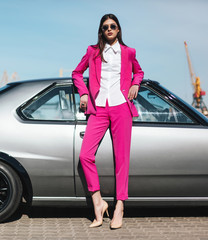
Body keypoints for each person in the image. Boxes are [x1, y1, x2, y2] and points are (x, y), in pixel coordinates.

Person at [72, 13, 144, 229]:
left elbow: (138, 72)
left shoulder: (128, 52)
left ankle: (120, 206)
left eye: (113, 26)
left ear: (118, 29)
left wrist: (135, 84)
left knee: (122, 159)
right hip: (99, 108)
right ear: (101, 31)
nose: (109, 29)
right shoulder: (92, 51)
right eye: (105, 27)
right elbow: (77, 73)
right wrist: (83, 93)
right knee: (85, 155)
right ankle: (98, 203)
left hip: (121, 107)